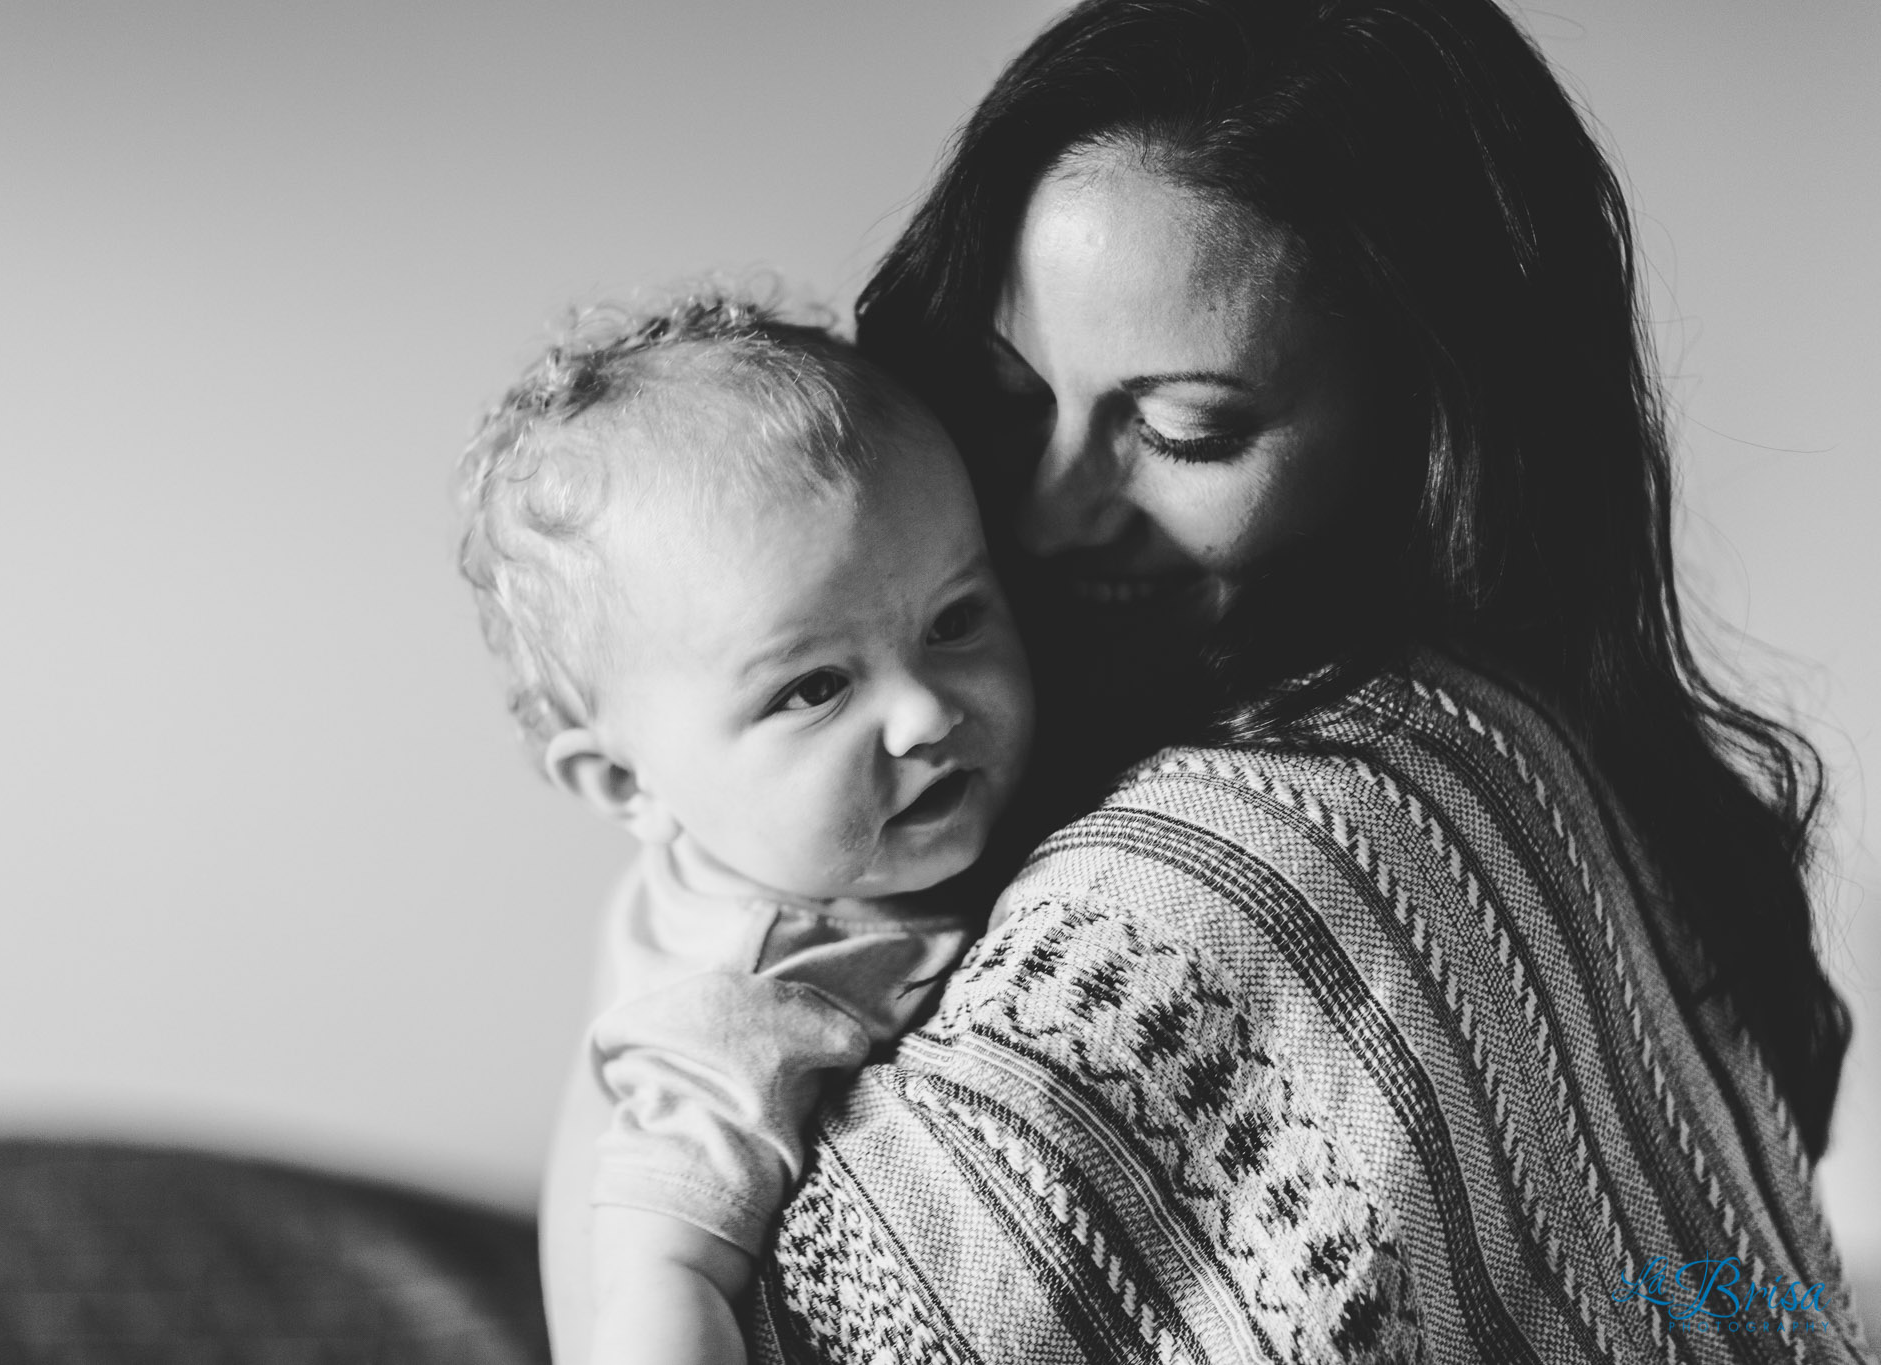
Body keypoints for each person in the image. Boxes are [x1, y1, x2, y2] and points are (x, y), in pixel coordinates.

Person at [742, 1, 1872, 1361]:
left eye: (1184, 430)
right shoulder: (1518, 743)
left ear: (1432, 432)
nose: (1051, 508)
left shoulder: (1278, 846)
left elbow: (850, 1294)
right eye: (1007, 396)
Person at [455, 291, 1034, 1364]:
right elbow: (649, 1286)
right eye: (813, 687)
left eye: (954, 621)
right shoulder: (743, 999)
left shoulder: (771, 835)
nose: (925, 713)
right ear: (631, 788)